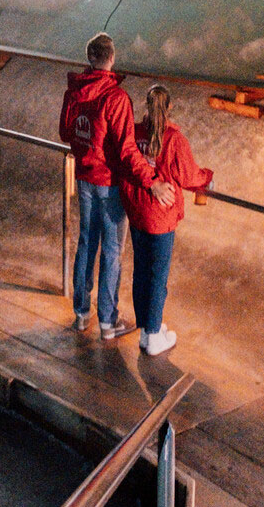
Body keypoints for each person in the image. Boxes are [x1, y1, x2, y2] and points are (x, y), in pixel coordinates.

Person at [59, 33, 153, 340]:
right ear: (111, 59)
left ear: (90, 58)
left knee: (87, 242)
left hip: (84, 176)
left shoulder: (74, 92)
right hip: (109, 182)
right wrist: (150, 180)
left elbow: (65, 132)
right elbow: (126, 150)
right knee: (112, 250)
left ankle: (81, 315)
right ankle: (108, 322)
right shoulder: (116, 98)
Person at [121, 85, 213, 357]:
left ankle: (150, 326)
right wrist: (207, 176)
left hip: (137, 209)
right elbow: (188, 176)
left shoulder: (136, 133)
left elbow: (130, 162)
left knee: (142, 269)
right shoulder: (173, 139)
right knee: (157, 275)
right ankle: (152, 337)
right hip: (159, 215)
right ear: (169, 107)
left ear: (146, 107)